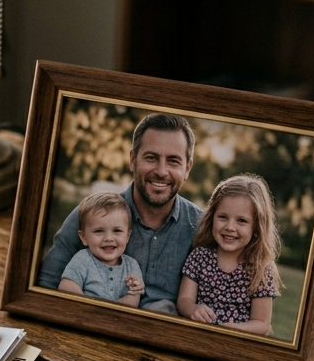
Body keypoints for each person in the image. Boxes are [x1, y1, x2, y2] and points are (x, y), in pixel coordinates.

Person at [37, 113, 202, 314]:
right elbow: (45, 283)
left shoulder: (201, 227)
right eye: (151, 157)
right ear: (133, 160)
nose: (161, 171)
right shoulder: (92, 215)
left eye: (173, 161)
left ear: (187, 168)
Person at [176, 174, 282, 336]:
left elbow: (262, 324)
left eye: (241, 221)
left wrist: (233, 329)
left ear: (257, 227)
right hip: (199, 335)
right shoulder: (200, 257)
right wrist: (193, 309)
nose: (230, 227)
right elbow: (184, 301)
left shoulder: (260, 269)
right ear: (212, 218)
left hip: (237, 344)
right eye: (223, 217)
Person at [57, 192, 146, 307]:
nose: (108, 238)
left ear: (127, 236)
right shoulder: (83, 259)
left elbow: (132, 303)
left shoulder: (131, 266)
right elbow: (66, 287)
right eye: (99, 231)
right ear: (84, 237)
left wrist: (134, 290)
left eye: (117, 231)